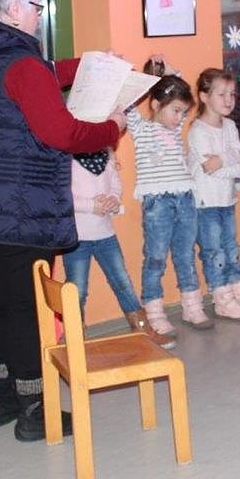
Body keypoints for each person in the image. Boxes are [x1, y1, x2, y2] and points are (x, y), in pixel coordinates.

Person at [0, 0, 126, 442]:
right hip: (18, 211)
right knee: (24, 310)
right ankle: (36, 412)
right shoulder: (21, 63)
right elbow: (63, 133)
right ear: (14, 8)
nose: (41, 15)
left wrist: (88, 66)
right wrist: (112, 127)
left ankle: (0, 400)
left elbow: (35, 79)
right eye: (37, 6)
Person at [62, 148, 176, 349]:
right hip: (76, 237)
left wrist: (113, 200)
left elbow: (115, 184)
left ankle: (141, 328)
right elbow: (61, 196)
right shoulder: (66, 157)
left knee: (122, 282)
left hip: (105, 233)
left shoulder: (107, 155)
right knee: (77, 290)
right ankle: (74, 339)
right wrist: (91, 206)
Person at [127, 70, 212, 335]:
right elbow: (128, 102)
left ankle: (192, 306)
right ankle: (153, 313)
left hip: (185, 199)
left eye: (183, 112)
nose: (179, 118)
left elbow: (177, 84)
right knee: (155, 257)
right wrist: (138, 74)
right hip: (158, 203)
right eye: (175, 111)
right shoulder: (142, 129)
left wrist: (167, 68)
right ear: (155, 105)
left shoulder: (174, 130)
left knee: (186, 255)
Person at [188, 68, 240, 320]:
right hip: (205, 203)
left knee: (231, 249)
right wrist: (230, 161)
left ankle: (239, 292)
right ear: (204, 97)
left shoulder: (230, 126)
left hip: (227, 199)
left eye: (232, 94)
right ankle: (222, 298)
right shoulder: (198, 131)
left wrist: (222, 160)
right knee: (214, 252)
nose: (229, 100)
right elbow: (209, 169)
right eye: (222, 94)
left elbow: (239, 164)